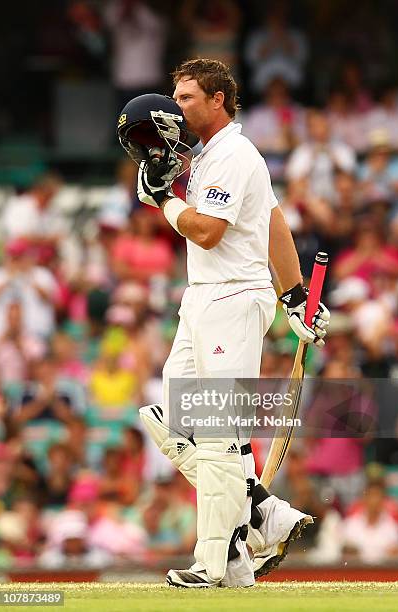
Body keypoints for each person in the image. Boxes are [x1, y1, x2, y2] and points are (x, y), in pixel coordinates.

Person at [117, 59, 329, 588]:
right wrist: (297, 294)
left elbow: (207, 232)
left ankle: (215, 566)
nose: (177, 107)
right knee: (167, 417)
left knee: (214, 435)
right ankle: (258, 513)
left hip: (233, 299)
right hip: (204, 299)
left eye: (187, 97)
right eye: (177, 96)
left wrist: (163, 199)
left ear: (218, 100)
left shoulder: (234, 153)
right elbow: (274, 221)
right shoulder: (209, 155)